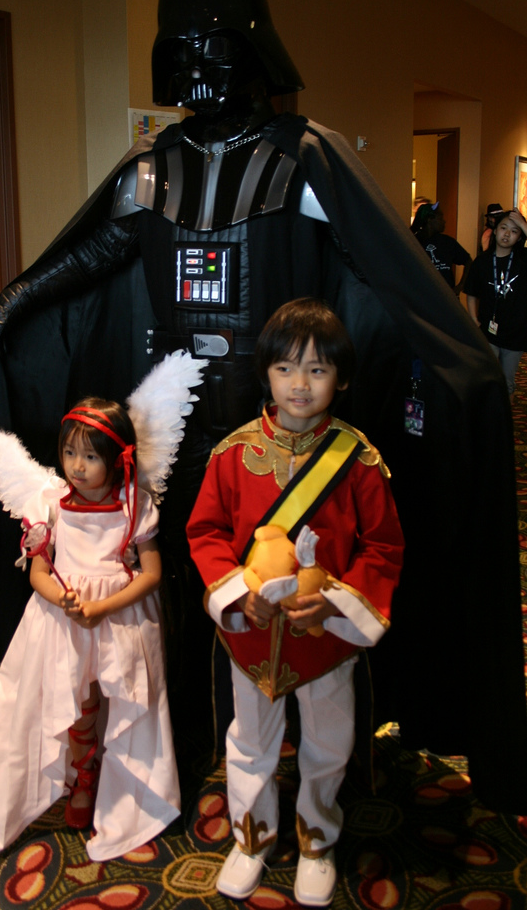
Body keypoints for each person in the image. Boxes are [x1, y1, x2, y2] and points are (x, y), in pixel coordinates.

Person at [0, 0, 527, 814]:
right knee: (191, 586)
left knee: (296, 586)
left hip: (285, 425)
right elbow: (97, 253)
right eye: (182, 50)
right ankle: (189, 737)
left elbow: (381, 274)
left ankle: (314, 752)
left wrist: (450, 359)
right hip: (178, 423)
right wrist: (18, 298)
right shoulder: (150, 166)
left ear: (254, 51)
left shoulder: (307, 161)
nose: (199, 68)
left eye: (215, 47)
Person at [0, 361, 204, 863]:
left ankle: (120, 792)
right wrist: (61, 598)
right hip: (62, 620)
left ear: (116, 459)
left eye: (89, 456)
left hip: (120, 619)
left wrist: (103, 606)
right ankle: (81, 774)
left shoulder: (135, 503)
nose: (76, 465)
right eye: (69, 452)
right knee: (75, 699)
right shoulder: (52, 504)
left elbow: (151, 573)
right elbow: (39, 571)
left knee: (120, 700)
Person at [187, 299, 403, 905]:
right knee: (249, 743)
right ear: (265, 375)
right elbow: (204, 535)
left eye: (316, 370)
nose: (300, 384)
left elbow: (383, 546)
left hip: (326, 637)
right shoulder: (231, 454)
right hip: (251, 634)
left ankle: (317, 839)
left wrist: (336, 601)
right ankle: (251, 837)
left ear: (343, 377)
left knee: (329, 742)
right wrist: (236, 596)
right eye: (285, 368)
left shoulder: (357, 459)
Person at [464, 207, 527, 401]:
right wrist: (474, 320)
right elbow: (471, 294)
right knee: (487, 379)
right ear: (495, 230)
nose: (507, 234)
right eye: (503, 228)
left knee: (507, 382)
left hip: (516, 335)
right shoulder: (482, 262)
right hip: (488, 333)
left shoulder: (523, 260)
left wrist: (525, 225)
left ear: (520, 236)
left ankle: (503, 425)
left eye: (514, 231)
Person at [411, 202, 471, 294]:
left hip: (447, 300)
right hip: (422, 300)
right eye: (441, 217)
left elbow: (468, 261)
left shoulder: (447, 242)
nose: (444, 221)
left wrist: (461, 286)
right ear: (430, 220)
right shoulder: (413, 243)